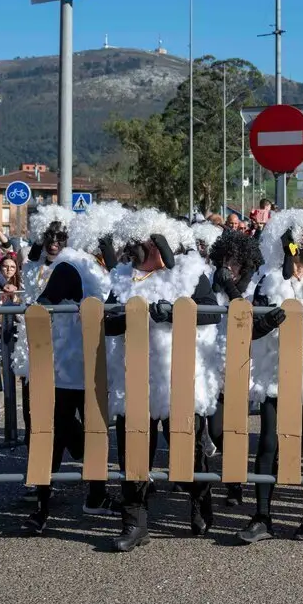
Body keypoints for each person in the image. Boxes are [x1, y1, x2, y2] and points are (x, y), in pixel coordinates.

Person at [103, 209, 222, 552]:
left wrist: (174, 311)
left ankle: (200, 501)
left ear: (157, 244)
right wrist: (125, 315)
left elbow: (212, 312)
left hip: (178, 380)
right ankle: (134, 523)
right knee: (133, 456)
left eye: (138, 244)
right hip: (136, 380)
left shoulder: (188, 273)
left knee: (188, 453)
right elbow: (108, 324)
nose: (130, 251)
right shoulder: (124, 277)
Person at [18, 203, 126, 535]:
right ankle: (42, 506)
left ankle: (96, 495)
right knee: (54, 436)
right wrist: (72, 309)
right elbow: (43, 306)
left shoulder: (111, 268)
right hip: (68, 369)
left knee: (97, 435)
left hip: (97, 367)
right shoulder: (71, 266)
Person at [236, 209, 303, 544]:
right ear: (291, 246)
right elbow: (249, 330)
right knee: (268, 442)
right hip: (275, 373)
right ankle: (262, 516)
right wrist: (268, 321)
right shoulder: (267, 282)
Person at [205, 226, 263, 508]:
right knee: (216, 430)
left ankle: (234, 483)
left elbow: (245, 314)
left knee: (236, 428)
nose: (229, 266)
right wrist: (219, 285)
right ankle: (233, 472)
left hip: (243, 366)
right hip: (215, 367)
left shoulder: (255, 287)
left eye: (236, 261)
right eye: (225, 260)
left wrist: (230, 287)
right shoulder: (211, 283)